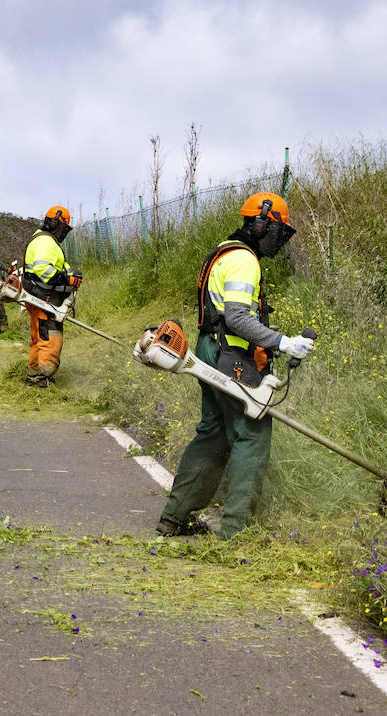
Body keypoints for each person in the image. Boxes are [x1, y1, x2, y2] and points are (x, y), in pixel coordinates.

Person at [157, 192, 313, 540]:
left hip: (209, 347)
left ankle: (175, 517)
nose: (278, 240)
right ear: (262, 224)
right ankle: (236, 531)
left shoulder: (224, 251)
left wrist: (267, 336)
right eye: (278, 231)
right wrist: (282, 342)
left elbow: (225, 314)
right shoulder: (245, 260)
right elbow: (237, 318)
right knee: (252, 431)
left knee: (213, 432)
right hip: (230, 355)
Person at [21, 207, 80, 386]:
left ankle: (34, 373)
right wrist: (68, 279)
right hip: (44, 299)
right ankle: (42, 377)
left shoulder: (41, 239)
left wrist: (71, 276)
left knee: (39, 338)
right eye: (65, 229)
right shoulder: (46, 242)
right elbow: (43, 269)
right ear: (58, 224)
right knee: (49, 338)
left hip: (38, 297)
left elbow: (56, 266)